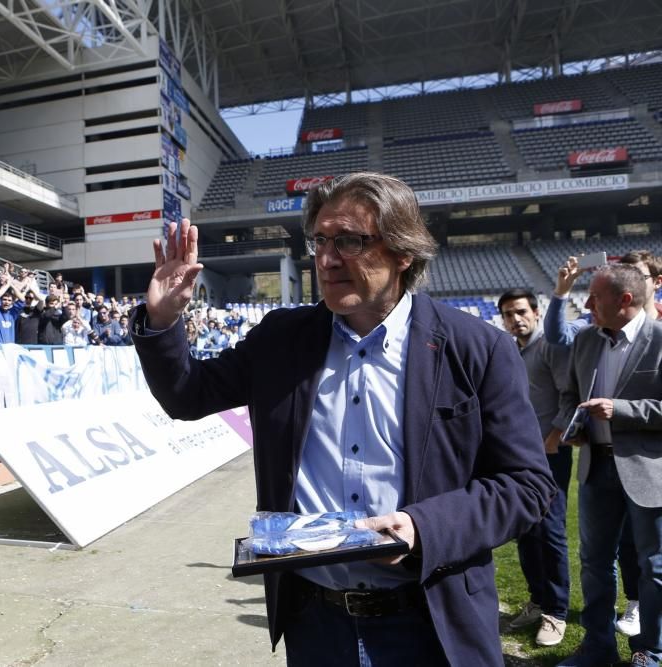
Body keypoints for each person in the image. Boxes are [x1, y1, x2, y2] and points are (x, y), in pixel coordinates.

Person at [131, 172, 555, 665]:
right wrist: (162, 321)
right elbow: (188, 396)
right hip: (315, 625)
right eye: (321, 240)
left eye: (351, 241)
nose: (327, 260)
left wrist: (421, 528)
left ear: (404, 253)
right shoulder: (281, 339)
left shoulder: (477, 348)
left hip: (431, 621)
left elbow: (526, 486)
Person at [545, 251, 660, 638]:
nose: (588, 303)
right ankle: (597, 646)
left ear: (624, 300)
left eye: (594, 296)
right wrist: (571, 426)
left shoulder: (659, 340)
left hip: (648, 472)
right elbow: (569, 392)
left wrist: (621, 410)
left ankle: (651, 651)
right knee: (593, 562)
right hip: (596, 467)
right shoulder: (586, 341)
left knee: (653, 567)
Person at [498, 289, 574, 647]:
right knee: (526, 530)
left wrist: (555, 437)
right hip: (517, 457)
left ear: (536, 312)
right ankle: (537, 600)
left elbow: (568, 395)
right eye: (509, 314)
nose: (516, 319)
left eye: (521, 312)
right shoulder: (509, 350)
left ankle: (556, 612)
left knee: (552, 532)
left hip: (549, 453)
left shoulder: (550, 347)